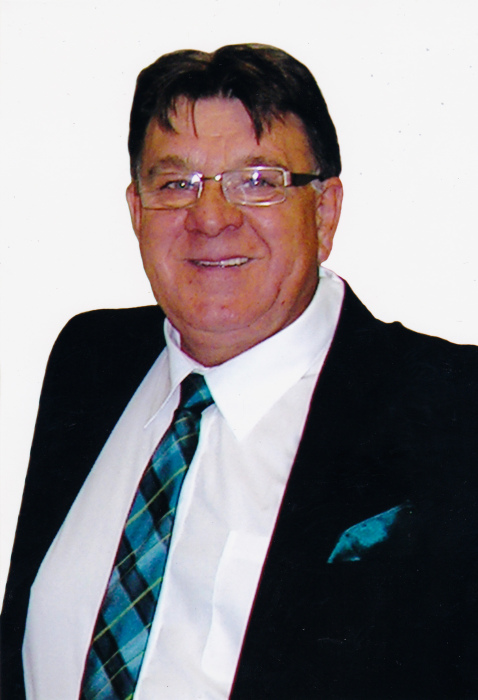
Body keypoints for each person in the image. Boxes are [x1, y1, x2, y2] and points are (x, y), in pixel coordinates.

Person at [1, 43, 478, 700]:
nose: (211, 218)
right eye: (176, 184)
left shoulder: (452, 410)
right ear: (137, 211)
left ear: (325, 211)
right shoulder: (90, 360)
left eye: (257, 181)